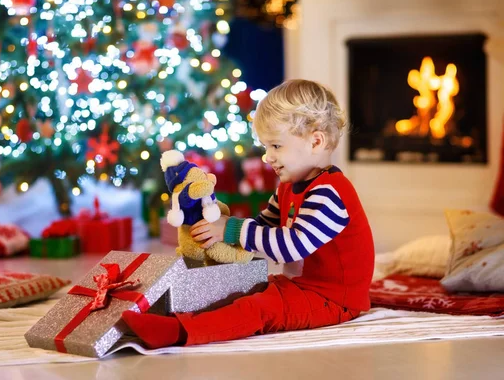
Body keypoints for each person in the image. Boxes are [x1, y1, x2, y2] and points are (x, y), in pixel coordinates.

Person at [122, 79, 375, 348]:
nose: (267, 157)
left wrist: (230, 229)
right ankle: (174, 314)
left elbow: (292, 247)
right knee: (239, 288)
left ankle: (178, 332)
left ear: (316, 141)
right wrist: (215, 230)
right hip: (299, 286)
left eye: (276, 146)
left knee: (259, 309)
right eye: (266, 147)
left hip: (333, 298)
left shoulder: (331, 192)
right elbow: (261, 226)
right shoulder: (288, 187)